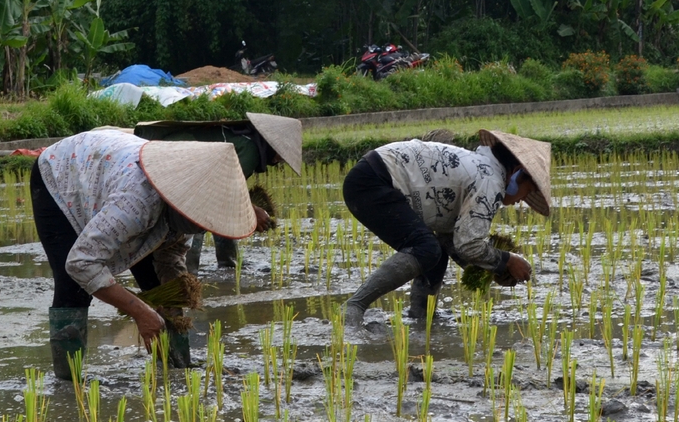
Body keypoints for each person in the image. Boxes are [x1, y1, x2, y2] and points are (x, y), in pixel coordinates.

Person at [31, 128, 264, 380]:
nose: (203, 228)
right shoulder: (137, 203)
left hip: (114, 167)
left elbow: (171, 255)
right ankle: (68, 383)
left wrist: (175, 307)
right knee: (72, 289)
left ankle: (177, 368)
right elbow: (81, 263)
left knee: (159, 289)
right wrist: (140, 313)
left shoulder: (189, 198)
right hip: (62, 173)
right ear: (182, 207)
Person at [341, 129, 553, 328]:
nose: (523, 199)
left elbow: (452, 242)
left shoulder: (480, 168)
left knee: (434, 251)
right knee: (426, 248)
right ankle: (354, 307)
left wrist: (494, 269)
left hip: (369, 176)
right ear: (517, 174)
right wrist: (508, 260)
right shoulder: (490, 181)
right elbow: (469, 245)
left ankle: (421, 317)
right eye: (528, 190)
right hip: (374, 181)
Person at [133, 111, 303, 270]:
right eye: (281, 155)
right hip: (175, 161)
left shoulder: (246, 139)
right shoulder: (250, 150)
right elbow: (223, 191)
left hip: (176, 157)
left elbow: (227, 196)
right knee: (196, 217)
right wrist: (252, 211)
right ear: (274, 147)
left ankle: (226, 265)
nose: (279, 160)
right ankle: (190, 272)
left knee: (216, 213)